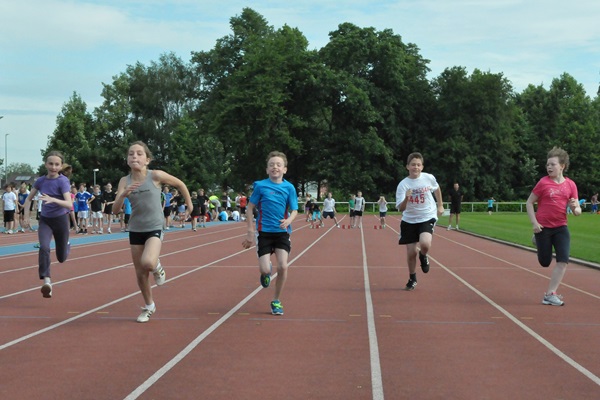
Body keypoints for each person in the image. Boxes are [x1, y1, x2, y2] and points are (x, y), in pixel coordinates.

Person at [112, 141, 192, 323]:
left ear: (147, 160)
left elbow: (180, 184)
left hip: (155, 226)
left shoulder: (155, 175)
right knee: (140, 273)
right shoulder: (125, 181)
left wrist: (190, 205)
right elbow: (115, 210)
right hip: (135, 228)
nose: (134, 156)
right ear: (127, 159)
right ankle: (149, 306)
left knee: (148, 262)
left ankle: (157, 268)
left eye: (139, 153)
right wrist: (123, 195)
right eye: (131, 153)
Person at [242, 151, 298, 316]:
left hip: (281, 232)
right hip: (264, 233)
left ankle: (276, 300)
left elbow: (295, 209)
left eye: (278, 165)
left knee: (283, 266)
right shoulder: (260, 186)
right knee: (265, 270)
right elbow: (250, 208)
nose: (275, 167)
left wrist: (289, 220)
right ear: (267, 169)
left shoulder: (289, 187)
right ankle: (266, 271)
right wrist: (250, 231)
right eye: (271, 165)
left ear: (284, 169)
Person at [526, 147, 581, 306]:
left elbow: (577, 211)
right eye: (548, 164)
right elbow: (529, 202)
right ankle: (537, 240)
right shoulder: (543, 183)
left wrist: (574, 208)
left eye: (553, 164)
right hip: (543, 227)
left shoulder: (570, 185)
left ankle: (550, 294)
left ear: (562, 166)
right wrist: (534, 223)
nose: (549, 167)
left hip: (561, 227)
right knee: (545, 262)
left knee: (563, 260)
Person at [22, 151, 74, 298]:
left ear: (61, 166)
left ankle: (67, 244)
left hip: (61, 220)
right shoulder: (40, 181)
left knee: (61, 258)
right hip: (45, 220)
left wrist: (53, 199)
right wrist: (26, 217)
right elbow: (28, 199)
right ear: (45, 164)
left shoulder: (63, 181)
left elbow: (69, 204)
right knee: (44, 247)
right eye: (50, 164)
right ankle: (47, 281)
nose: (53, 167)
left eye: (57, 164)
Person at [396, 152, 444, 291]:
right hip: (409, 220)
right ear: (407, 166)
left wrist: (440, 205)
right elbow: (401, 208)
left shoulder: (429, 178)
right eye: (413, 165)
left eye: (418, 165)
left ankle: (423, 256)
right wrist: (407, 198)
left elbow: (437, 189)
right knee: (411, 252)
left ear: (422, 167)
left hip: (427, 216)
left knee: (425, 243)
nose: (415, 167)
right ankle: (412, 278)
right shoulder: (403, 185)